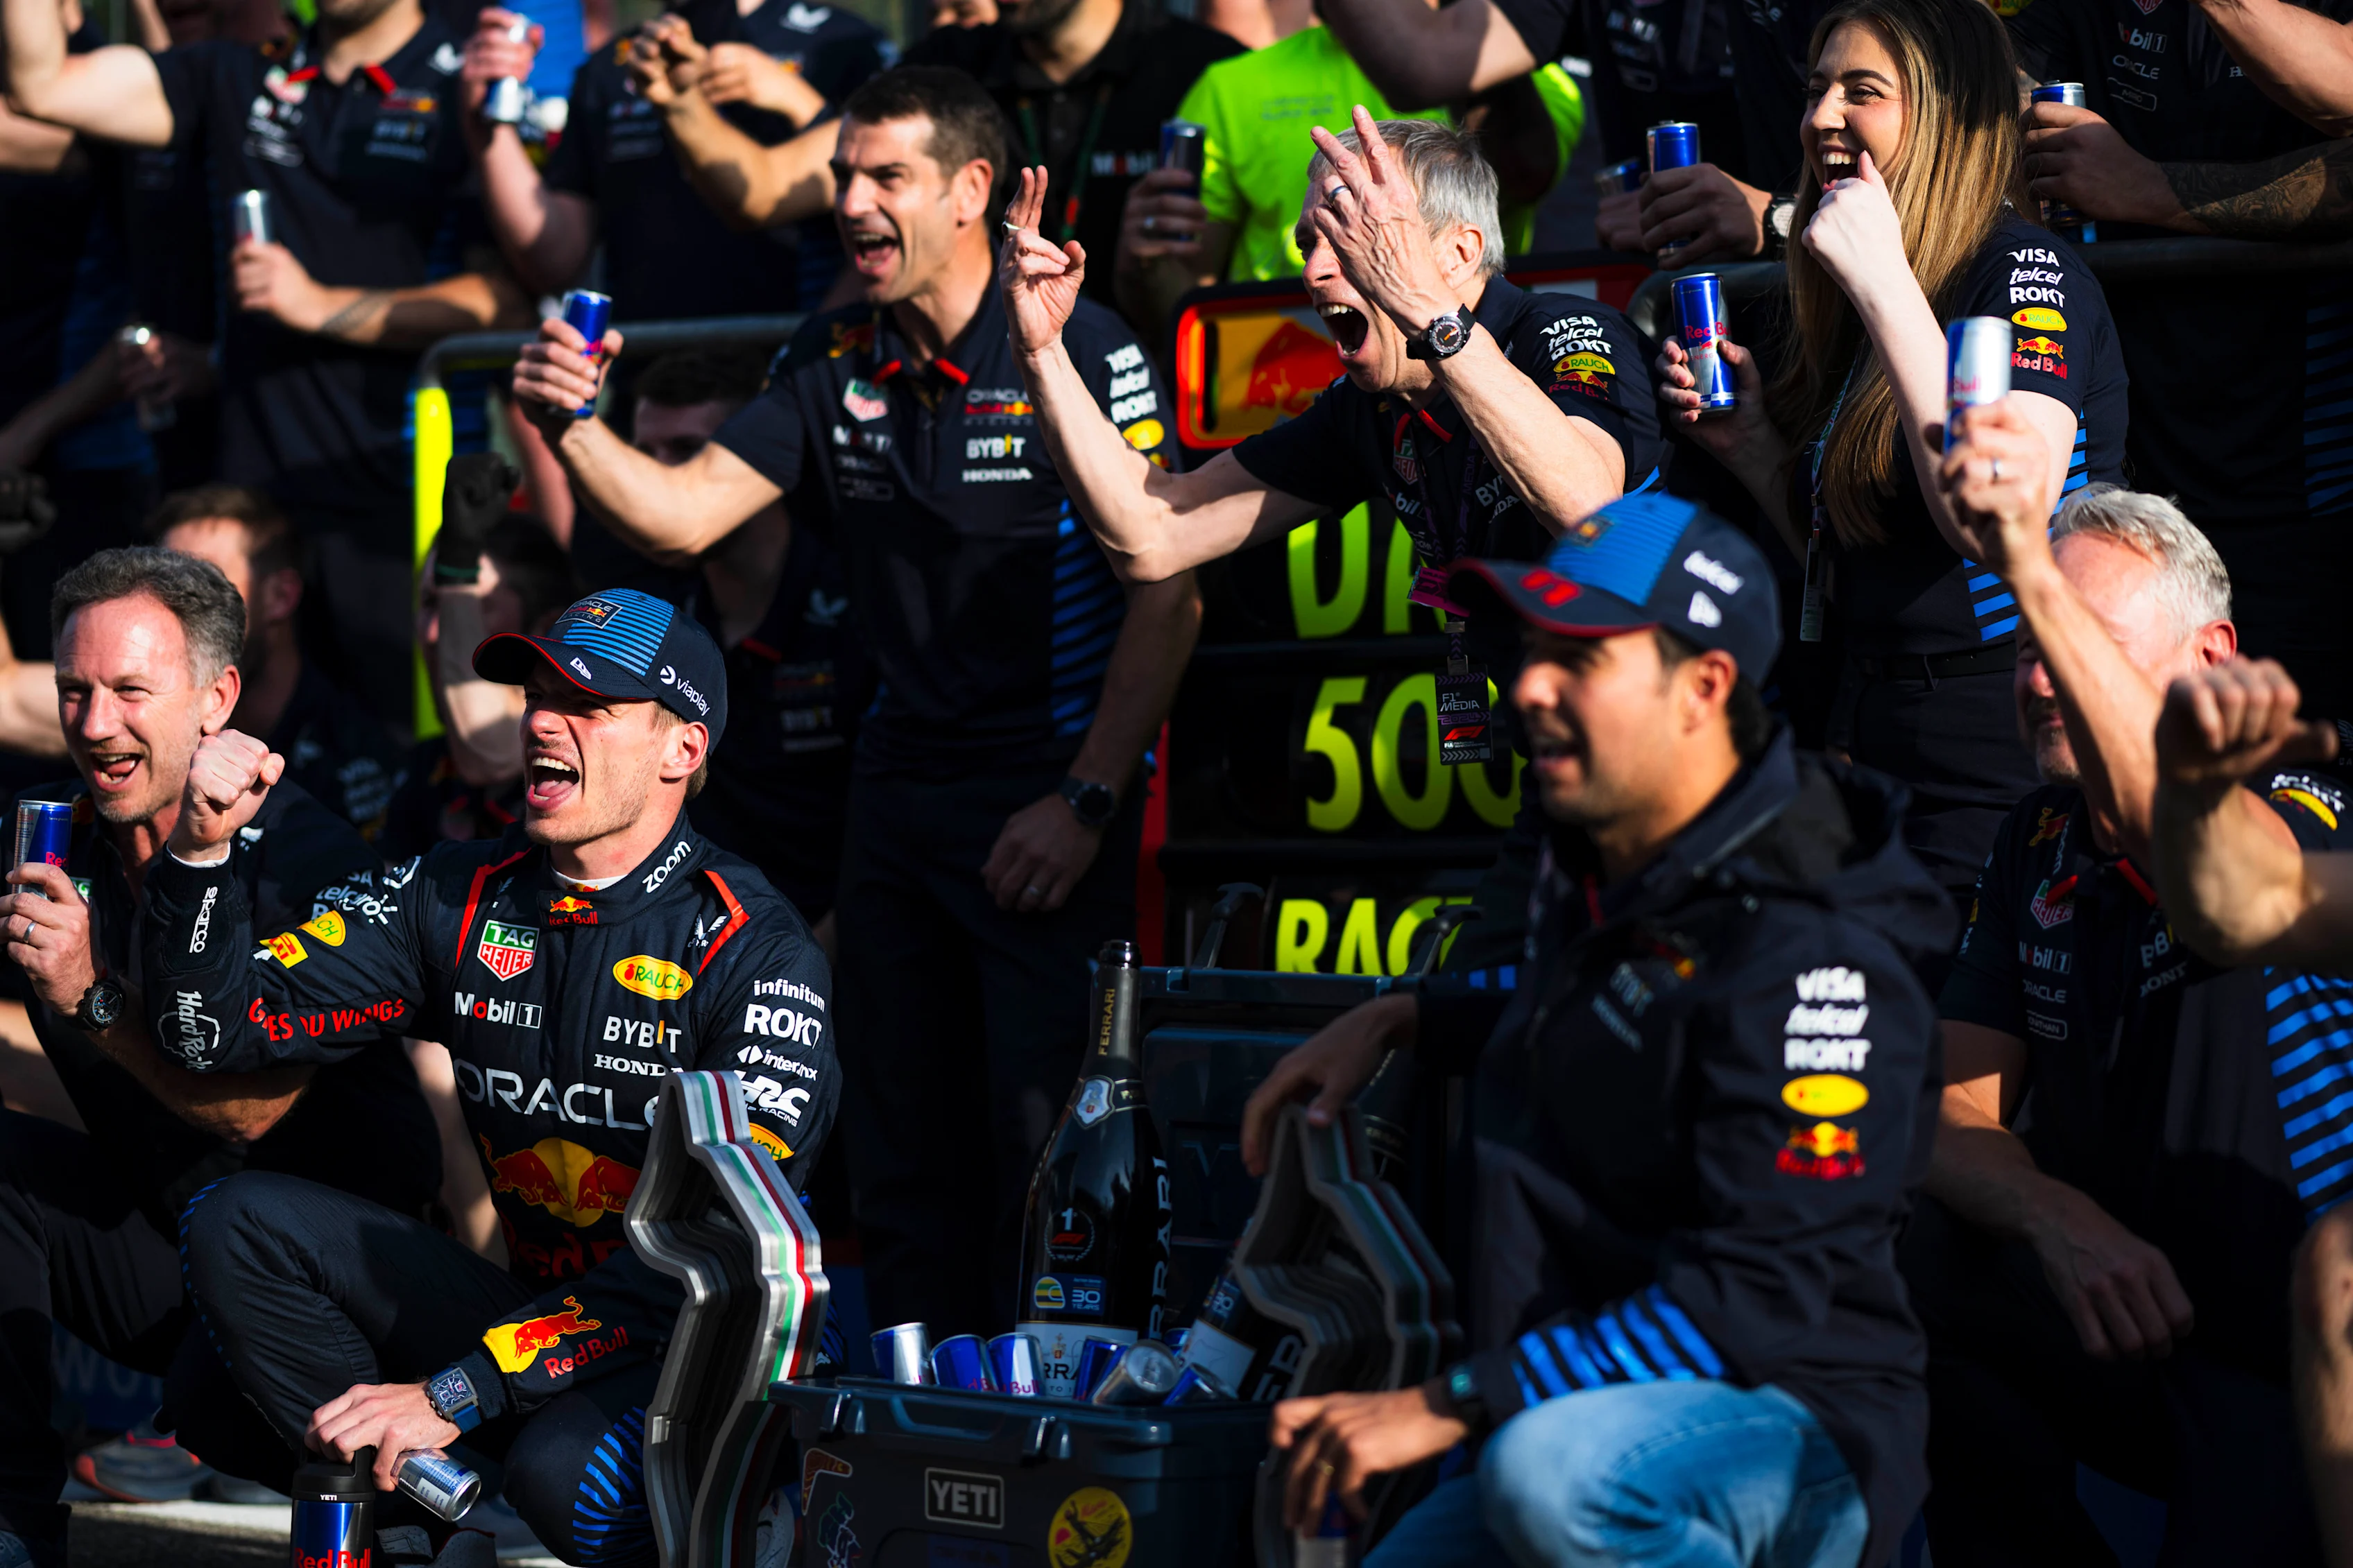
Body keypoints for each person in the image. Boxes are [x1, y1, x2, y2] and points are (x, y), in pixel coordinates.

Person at [508, 65, 1201, 1335]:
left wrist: (1086, 800)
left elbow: (1170, 592)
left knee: (1043, 1150)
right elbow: (684, 514)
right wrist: (574, 422)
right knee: (896, 1155)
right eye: (840, 177)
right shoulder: (831, 353)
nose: (852, 203)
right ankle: (913, 1447)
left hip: (1049, 795)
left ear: (971, 193)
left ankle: (1049, 1444)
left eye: (885, 176)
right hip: (894, 807)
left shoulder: (1079, 342)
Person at [1238, 493, 1947, 1568]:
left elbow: (1760, 1295)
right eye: (1533, 649)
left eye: (1581, 659)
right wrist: (1406, 1015)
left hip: (1784, 1418)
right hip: (1572, 1399)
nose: (1528, 685)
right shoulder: (1622, 857)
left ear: (1704, 689)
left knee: (1555, 1481)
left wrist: (1453, 1399)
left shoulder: (1814, 939)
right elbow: (1613, 1014)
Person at [143, 587, 839, 1567]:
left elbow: (716, 1248)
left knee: (569, 1476)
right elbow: (212, 1033)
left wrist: (456, 1392)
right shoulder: (456, 894)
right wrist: (200, 854)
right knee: (231, 1265)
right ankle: (427, 1534)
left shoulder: (754, 949)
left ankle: (757, 1526)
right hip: (531, 1328)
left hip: (697, 1343)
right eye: (536, 694)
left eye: (588, 705)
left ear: (682, 748)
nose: (542, 721)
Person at [1011, 112, 1659, 973]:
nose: (1313, 268)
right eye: (1309, 235)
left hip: (1681, 779)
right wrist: (1044, 352)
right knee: (1463, 1037)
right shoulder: (1371, 405)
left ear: (1459, 254)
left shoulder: (1562, 335)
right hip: (1562, 791)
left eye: (1352, 234)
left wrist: (1432, 317)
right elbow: (1152, 534)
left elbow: (1587, 502)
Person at [1910, 406, 2343, 1562]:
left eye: (2078, 647)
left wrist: (2020, 566)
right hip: (2134, 1330)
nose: (2041, 680)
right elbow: (1952, 1119)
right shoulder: (2035, 840)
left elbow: (2208, 865)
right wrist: (2057, 1218)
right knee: (1912, 1257)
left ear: (2211, 660)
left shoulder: (2298, 804)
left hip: (2293, 1359)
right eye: (2020, 649)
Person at [0, 549, 439, 1568]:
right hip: (175, 1243)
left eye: (129, 692)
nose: (96, 724)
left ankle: (411, 1530)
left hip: (338, 1293)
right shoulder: (48, 832)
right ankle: (15, 1529)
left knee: (213, 1367)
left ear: (217, 697)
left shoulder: (308, 855)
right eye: (75, 691)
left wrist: (91, 998)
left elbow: (253, 1114)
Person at [1657, 0, 2125, 904]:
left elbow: (2004, 517)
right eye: (1815, 90)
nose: (1820, 117)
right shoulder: (1885, 293)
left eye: (1861, 92)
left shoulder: (2023, 270)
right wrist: (1753, 448)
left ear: (1946, 116)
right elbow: (1862, 562)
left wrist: (1884, 285)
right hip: (1867, 737)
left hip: (1997, 754)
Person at [1, 0, 533, 727]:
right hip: (253, 505)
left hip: (400, 505)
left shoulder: (461, 83)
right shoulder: (243, 73)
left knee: (411, 760)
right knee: (240, 763)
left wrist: (318, 303)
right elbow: (44, 86)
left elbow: (504, 303)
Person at [2004, 0, 2353, 718]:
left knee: (2301, 791)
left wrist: (2149, 190)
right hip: (2143, 492)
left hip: (2303, 493)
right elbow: (1976, 127)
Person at [623, 0, 1244, 317]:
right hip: (981, 418)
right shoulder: (953, 61)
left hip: (1150, 414)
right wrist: (682, 108)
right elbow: (763, 191)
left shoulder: (1208, 71)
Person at [1111, 10, 1586, 334]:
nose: (1312, 269)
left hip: (1454, 394)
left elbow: (1527, 175)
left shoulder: (1543, 86)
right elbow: (1186, 300)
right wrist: (1144, 268)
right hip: (1275, 396)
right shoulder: (1228, 86)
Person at [0, 487, 407, 836]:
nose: (98, 725)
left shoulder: (351, 755)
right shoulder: (100, 707)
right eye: (155, 582)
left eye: (201, 580)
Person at [628, 345, 864, 941]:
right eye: (643, 456)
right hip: (685, 959)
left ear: (761, 459)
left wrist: (823, 953)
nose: (657, 480)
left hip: (858, 949)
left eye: (685, 452)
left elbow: (906, 818)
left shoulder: (861, 601)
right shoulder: (648, 610)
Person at [1310, 0, 1826, 262]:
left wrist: (1776, 217)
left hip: (1842, 312)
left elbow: (1907, 183)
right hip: (1674, 325)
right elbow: (1425, 59)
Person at [382, 512, 579, 861]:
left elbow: (493, 755)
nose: (432, 634)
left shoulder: (581, 758)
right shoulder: (423, 770)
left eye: (469, 608)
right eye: (431, 604)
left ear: (547, 628)